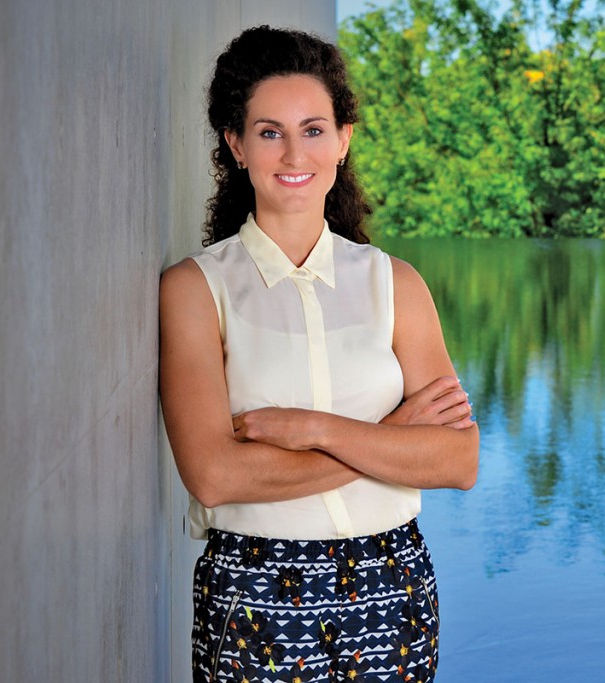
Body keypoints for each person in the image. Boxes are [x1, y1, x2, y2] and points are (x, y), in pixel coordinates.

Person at [159, 25, 478, 683]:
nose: (292, 151)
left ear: (343, 139)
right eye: (269, 131)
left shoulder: (396, 284)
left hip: (394, 584)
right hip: (256, 590)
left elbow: (458, 458)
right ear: (236, 145)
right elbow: (216, 476)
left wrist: (315, 431)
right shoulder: (196, 289)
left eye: (313, 128)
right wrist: (389, 442)